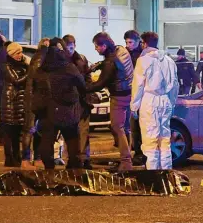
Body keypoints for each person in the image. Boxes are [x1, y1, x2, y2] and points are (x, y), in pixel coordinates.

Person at [130, 32, 179, 170]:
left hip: (149, 100)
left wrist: (134, 107)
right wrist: (172, 103)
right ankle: (166, 173)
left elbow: (138, 85)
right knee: (164, 139)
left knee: (150, 140)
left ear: (144, 43)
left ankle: (153, 175)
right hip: (165, 100)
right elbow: (175, 85)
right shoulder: (169, 61)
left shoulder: (143, 60)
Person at [86, 32, 134, 171]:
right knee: (125, 128)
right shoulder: (121, 49)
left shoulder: (110, 62)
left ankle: (126, 162)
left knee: (116, 127)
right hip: (129, 93)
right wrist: (99, 65)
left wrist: (84, 88)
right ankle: (127, 157)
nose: (96, 49)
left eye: (97, 46)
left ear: (104, 45)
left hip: (118, 96)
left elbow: (100, 84)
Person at [39, 38, 86, 169]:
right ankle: (74, 170)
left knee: (47, 140)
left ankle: (49, 169)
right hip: (68, 110)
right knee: (72, 140)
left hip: (49, 110)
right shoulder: (68, 67)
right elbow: (81, 84)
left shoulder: (43, 69)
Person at [63, 34, 93, 170]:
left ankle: (84, 159)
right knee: (71, 132)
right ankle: (73, 158)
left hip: (81, 100)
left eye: (71, 47)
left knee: (83, 131)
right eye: (66, 47)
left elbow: (87, 77)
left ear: (74, 45)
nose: (69, 50)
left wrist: (87, 92)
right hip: (68, 101)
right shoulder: (62, 60)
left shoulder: (81, 59)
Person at [21, 38, 50, 170]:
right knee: (30, 129)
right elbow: (38, 79)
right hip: (33, 99)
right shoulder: (40, 57)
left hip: (39, 98)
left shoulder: (40, 57)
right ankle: (25, 160)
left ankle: (37, 158)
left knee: (38, 130)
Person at [1, 42, 29, 167]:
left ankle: (17, 157)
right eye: (17, 53)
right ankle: (10, 158)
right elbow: (16, 81)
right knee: (10, 131)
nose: (20, 55)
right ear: (11, 54)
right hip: (11, 103)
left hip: (20, 102)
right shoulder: (7, 65)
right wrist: (30, 73)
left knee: (17, 132)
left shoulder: (24, 64)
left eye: (21, 52)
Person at [123, 30, 146, 165]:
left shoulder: (141, 56)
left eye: (130, 42)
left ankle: (140, 153)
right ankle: (136, 151)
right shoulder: (125, 54)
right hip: (130, 94)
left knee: (138, 125)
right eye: (126, 42)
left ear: (138, 42)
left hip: (141, 95)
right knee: (131, 125)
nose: (128, 45)